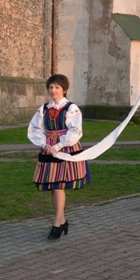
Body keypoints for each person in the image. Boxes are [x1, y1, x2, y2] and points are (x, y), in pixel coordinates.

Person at [27, 74, 90, 241]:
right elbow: (34, 128)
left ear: (64, 89)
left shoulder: (71, 108)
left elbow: (75, 131)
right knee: (53, 186)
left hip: (65, 149)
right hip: (48, 149)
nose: (53, 90)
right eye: (51, 87)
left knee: (58, 186)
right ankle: (62, 221)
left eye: (56, 87)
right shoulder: (44, 109)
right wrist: (44, 144)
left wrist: (58, 145)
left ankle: (57, 224)